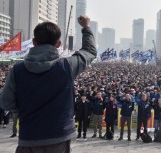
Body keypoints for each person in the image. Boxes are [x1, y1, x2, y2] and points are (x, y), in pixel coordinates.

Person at [0, 15, 96, 152]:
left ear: (34, 42)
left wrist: (23, 111)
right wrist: (86, 27)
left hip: (29, 139)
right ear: (58, 45)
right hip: (59, 139)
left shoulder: (17, 70)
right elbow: (89, 51)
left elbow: (5, 102)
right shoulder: (67, 66)